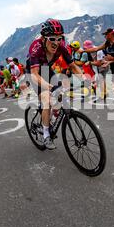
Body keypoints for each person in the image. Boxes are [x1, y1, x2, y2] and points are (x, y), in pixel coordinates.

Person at [29, 19, 83, 150]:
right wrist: (49, 87)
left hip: (47, 70)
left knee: (59, 97)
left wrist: (86, 80)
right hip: (34, 72)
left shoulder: (62, 46)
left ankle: (51, 115)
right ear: (43, 38)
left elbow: (73, 66)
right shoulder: (36, 47)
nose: (56, 43)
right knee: (47, 99)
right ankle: (46, 134)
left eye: (59, 38)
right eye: (52, 38)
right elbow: (35, 74)